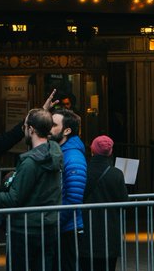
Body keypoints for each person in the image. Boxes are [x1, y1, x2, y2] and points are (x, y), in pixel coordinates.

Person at [0, 108, 63, 271]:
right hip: (48, 226)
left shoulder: (31, 163)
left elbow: (12, 200)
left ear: (31, 129)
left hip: (26, 230)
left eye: (24, 126)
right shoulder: (55, 152)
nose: (24, 130)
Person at [80, 135, 130, 271]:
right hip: (110, 232)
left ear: (92, 151)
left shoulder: (83, 172)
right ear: (110, 152)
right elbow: (124, 203)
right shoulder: (117, 174)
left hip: (86, 230)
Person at [52, 109, 88, 269]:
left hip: (67, 229)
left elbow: (73, 198)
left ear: (67, 130)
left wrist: (54, 222)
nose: (48, 128)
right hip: (62, 226)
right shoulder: (61, 152)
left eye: (53, 125)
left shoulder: (73, 156)